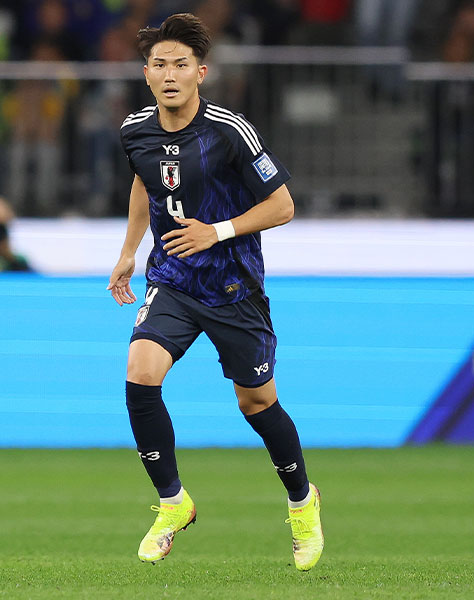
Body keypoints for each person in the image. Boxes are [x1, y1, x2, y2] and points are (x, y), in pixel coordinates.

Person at [106, 13, 324, 571]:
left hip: (232, 286)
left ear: (200, 73)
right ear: (146, 73)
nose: (169, 74)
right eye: (159, 65)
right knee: (140, 373)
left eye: (180, 65)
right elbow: (144, 182)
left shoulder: (229, 130)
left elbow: (283, 205)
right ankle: (173, 503)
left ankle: (303, 503)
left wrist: (217, 231)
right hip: (173, 279)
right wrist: (129, 251)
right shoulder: (135, 130)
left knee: (257, 404)